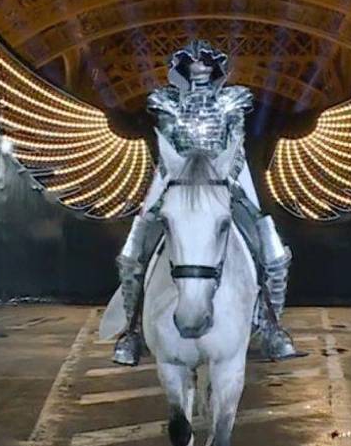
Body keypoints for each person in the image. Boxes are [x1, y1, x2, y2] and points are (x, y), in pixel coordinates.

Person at [111, 40, 297, 365]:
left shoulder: (231, 101)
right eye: (192, 63)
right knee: (131, 254)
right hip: (177, 178)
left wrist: (223, 179)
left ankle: (271, 325)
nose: (199, 67)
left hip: (223, 176)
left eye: (206, 63)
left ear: (215, 70)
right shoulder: (167, 102)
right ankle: (131, 331)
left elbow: (235, 145)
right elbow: (169, 145)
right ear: (181, 69)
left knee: (274, 252)